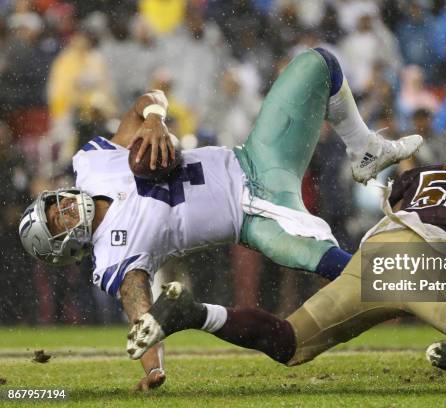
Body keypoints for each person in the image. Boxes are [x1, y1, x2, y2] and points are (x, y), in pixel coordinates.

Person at [18, 48, 422, 390]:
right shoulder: (111, 257)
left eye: (55, 204)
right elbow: (142, 316)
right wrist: (154, 368)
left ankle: (364, 148)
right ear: (64, 246)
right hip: (255, 216)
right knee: (339, 266)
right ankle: (441, 293)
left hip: (257, 156)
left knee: (318, 62)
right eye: (56, 221)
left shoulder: (92, 163)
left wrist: (156, 118)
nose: (64, 209)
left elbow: (147, 99)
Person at [127, 119, 446, 390]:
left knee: (290, 342)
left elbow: (410, 210)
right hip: (429, 260)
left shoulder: (425, 175)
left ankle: (194, 311)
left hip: (377, 251)